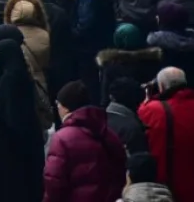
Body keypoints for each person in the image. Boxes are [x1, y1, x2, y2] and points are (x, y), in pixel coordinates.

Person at [42, 81, 127, 202]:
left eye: (58, 105)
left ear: (65, 108)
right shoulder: (109, 133)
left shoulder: (61, 139)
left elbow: (54, 183)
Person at [0, 36, 45, 202]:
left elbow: (6, 113)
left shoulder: (8, 81)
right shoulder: (23, 76)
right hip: (29, 143)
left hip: (10, 148)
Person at [138, 67, 194, 202]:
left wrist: (147, 97)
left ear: (161, 86)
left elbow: (142, 116)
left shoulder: (154, 109)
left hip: (173, 184)